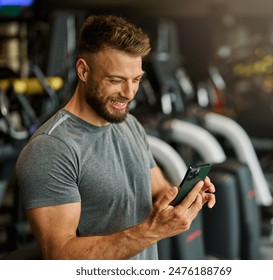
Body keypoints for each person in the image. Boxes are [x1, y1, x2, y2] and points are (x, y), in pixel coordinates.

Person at [15, 14, 216, 260]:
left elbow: (157, 191)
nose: (129, 93)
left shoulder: (130, 124)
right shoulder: (52, 149)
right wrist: (152, 231)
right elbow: (60, 256)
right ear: (83, 71)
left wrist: (184, 199)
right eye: (116, 80)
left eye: (136, 80)